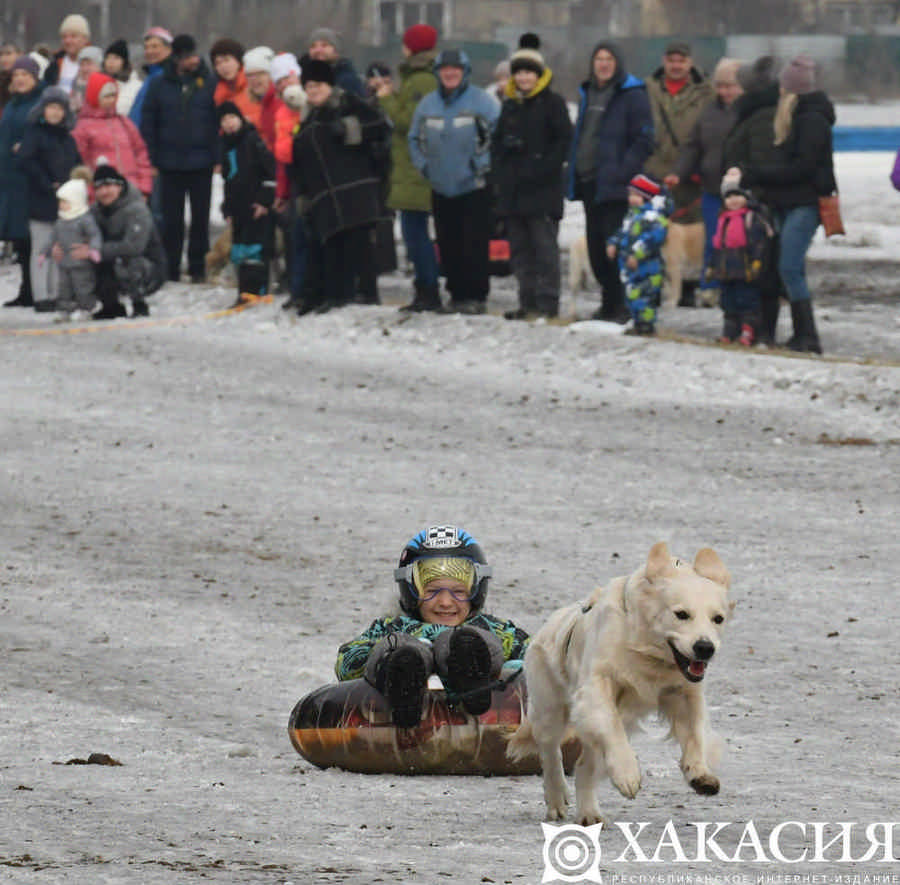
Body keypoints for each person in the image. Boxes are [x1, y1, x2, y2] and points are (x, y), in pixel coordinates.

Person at [335, 525, 530, 728]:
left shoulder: (492, 628)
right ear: (411, 591)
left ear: (477, 590)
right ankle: (403, 677)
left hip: (474, 670)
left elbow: (539, 656)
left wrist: (511, 674)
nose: (446, 602)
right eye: (432, 591)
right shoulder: (393, 626)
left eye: (458, 591)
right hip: (407, 667)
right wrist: (388, 658)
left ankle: (470, 669)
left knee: (473, 640)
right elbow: (346, 663)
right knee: (397, 646)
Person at [729, 55, 834, 354]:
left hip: (803, 204)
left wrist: (754, 175)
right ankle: (800, 334)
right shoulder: (797, 117)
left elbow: (802, 169)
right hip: (787, 202)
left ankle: (808, 334)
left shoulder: (812, 120)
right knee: (784, 267)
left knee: (789, 268)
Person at [291, 59, 390, 311]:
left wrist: (348, 129)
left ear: (330, 85)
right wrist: (302, 196)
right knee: (333, 248)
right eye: (309, 86)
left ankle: (367, 295)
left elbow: (379, 126)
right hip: (324, 197)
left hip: (356, 190)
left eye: (319, 85)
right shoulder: (306, 121)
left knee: (360, 246)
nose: (314, 90)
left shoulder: (348, 103)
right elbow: (300, 165)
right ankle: (335, 297)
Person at [567, 42, 654, 322]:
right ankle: (608, 302)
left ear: (618, 63)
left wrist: (623, 170)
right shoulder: (588, 92)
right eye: (599, 59)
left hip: (615, 184)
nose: (603, 64)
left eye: (609, 59)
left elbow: (645, 139)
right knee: (595, 248)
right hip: (589, 181)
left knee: (614, 246)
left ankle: (621, 305)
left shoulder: (632, 94)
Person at [409, 48, 500, 314]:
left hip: (473, 186)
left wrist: (481, 166)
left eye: (455, 69)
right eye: (444, 69)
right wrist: (424, 167)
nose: (450, 74)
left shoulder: (482, 101)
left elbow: (496, 134)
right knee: (447, 244)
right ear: (438, 73)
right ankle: (456, 295)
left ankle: (476, 297)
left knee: (473, 243)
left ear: (465, 72)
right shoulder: (427, 104)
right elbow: (415, 138)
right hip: (440, 186)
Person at [492, 33, 572, 320]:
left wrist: (539, 168)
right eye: (520, 72)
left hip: (543, 191)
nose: (524, 78)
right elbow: (497, 144)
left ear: (538, 75)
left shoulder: (553, 103)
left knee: (544, 249)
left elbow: (563, 143)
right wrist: (502, 174)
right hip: (514, 192)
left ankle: (548, 302)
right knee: (521, 250)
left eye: (529, 72)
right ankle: (527, 301)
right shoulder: (510, 105)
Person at [664, 57, 743, 309]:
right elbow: (693, 147)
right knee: (712, 240)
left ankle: (739, 289)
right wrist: (679, 172)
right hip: (710, 189)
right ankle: (710, 288)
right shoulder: (708, 112)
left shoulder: (748, 112)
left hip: (740, 191)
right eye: (720, 86)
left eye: (730, 86)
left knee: (738, 241)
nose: (724, 92)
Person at [140, 34, 217, 283]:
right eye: (186, 57)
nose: (192, 60)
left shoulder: (209, 82)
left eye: (194, 55)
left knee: (200, 218)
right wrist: (150, 158)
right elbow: (149, 122)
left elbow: (216, 122)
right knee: (172, 220)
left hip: (201, 162)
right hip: (169, 162)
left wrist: (216, 156)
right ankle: (170, 267)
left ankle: (198, 266)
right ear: (177, 58)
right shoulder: (160, 84)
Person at [376, 23, 441, 312]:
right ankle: (425, 289)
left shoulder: (421, 81)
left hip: (415, 171)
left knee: (415, 234)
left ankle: (428, 290)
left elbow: (408, 122)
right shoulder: (418, 78)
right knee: (413, 232)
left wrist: (387, 98)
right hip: (409, 169)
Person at [720, 55, 784, 346]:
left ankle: (761, 329)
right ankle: (755, 327)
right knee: (763, 268)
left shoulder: (757, 116)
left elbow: (755, 159)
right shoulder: (760, 114)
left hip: (758, 204)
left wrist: (742, 183)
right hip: (757, 201)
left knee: (762, 269)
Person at [18, 85, 81, 312]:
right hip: (40, 199)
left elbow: (77, 164)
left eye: (59, 108)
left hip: (64, 203)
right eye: (50, 107)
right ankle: (41, 295)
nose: (54, 112)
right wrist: (47, 184)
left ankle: (55, 292)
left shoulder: (67, 139)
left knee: (58, 249)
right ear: (42, 109)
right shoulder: (34, 133)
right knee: (41, 249)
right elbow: (26, 161)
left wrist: (75, 186)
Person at [644, 41, 714, 234]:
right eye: (671, 60)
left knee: (694, 236)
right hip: (655, 175)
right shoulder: (647, 90)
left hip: (692, 180)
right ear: (663, 61)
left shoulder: (707, 92)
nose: (676, 66)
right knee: (653, 235)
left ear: (690, 63)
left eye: (681, 61)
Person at [84, 162, 167, 318]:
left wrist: (94, 251)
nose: (104, 192)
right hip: (115, 261)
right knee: (84, 260)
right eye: (99, 188)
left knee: (125, 259)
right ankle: (110, 305)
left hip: (149, 268)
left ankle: (139, 303)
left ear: (119, 186)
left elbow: (134, 247)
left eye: (108, 186)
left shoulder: (137, 209)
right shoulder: (95, 210)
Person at [217, 101, 276, 306]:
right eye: (224, 120)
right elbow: (228, 181)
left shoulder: (253, 141)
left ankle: (257, 291)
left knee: (255, 250)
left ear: (240, 119)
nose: (229, 123)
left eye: (232, 118)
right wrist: (227, 208)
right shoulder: (226, 146)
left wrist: (264, 201)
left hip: (255, 206)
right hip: (238, 207)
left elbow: (270, 172)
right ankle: (244, 291)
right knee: (240, 250)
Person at [709, 170, 774, 346]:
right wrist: (711, 265)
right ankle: (729, 331)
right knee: (728, 302)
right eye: (729, 196)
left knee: (747, 302)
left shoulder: (752, 218)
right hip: (726, 270)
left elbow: (759, 243)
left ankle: (748, 331)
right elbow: (717, 245)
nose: (734, 200)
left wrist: (757, 261)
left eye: (738, 195)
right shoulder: (723, 219)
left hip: (745, 269)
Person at [0, 55, 44, 308]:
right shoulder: (13, 104)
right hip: (10, 177)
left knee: (31, 237)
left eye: (25, 75)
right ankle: (25, 289)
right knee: (19, 238)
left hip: (30, 177)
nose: (19, 79)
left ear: (34, 78)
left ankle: (35, 290)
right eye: (16, 75)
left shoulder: (38, 103)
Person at [606, 173, 671, 336]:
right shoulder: (632, 215)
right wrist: (613, 242)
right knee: (632, 296)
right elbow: (623, 232)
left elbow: (652, 239)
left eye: (637, 195)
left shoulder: (654, 217)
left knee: (645, 299)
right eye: (631, 195)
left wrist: (637, 253)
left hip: (648, 269)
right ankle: (636, 321)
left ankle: (646, 325)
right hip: (629, 268)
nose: (632, 199)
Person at [72, 72, 154, 198]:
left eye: (113, 96)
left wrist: (144, 187)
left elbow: (141, 155)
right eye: (106, 96)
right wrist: (90, 192)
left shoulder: (124, 123)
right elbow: (79, 164)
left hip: (131, 190)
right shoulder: (83, 127)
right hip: (102, 193)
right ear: (95, 97)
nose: (111, 100)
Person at [42, 176, 102, 321]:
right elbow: (52, 238)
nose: (61, 205)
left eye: (65, 202)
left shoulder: (84, 219)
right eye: (60, 202)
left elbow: (94, 234)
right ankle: (65, 309)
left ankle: (87, 307)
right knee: (64, 288)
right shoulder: (60, 221)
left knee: (83, 286)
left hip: (80, 262)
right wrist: (44, 252)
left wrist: (94, 249)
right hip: (64, 263)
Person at [128, 27, 173, 129]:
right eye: (146, 47)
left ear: (169, 49)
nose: (149, 51)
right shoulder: (150, 77)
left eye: (155, 46)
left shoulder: (170, 77)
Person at [210, 38, 258, 126]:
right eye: (218, 63)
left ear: (239, 60)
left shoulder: (254, 84)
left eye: (226, 60)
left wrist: (247, 121)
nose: (223, 66)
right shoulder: (219, 95)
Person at [305, 27, 365, 97]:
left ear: (336, 50)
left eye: (324, 45)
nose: (318, 50)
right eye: (313, 46)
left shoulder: (347, 80)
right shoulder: (304, 77)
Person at [42, 13, 91, 95]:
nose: (68, 41)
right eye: (64, 37)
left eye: (73, 36)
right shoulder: (54, 64)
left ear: (85, 39)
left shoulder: (96, 64)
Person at [102, 40, 142, 117]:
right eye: (108, 58)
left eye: (116, 58)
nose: (111, 61)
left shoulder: (137, 87)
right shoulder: (99, 84)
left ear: (124, 62)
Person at [70, 45, 102, 113]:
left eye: (89, 64)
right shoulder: (76, 84)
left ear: (99, 66)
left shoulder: (106, 86)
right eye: (82, 64)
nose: (85, 69)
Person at [0, 41, 20, 112]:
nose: (4, 58)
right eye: (1, 54)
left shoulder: (29, 79)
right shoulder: (2, 80)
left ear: (19, 54)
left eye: (8, 53)